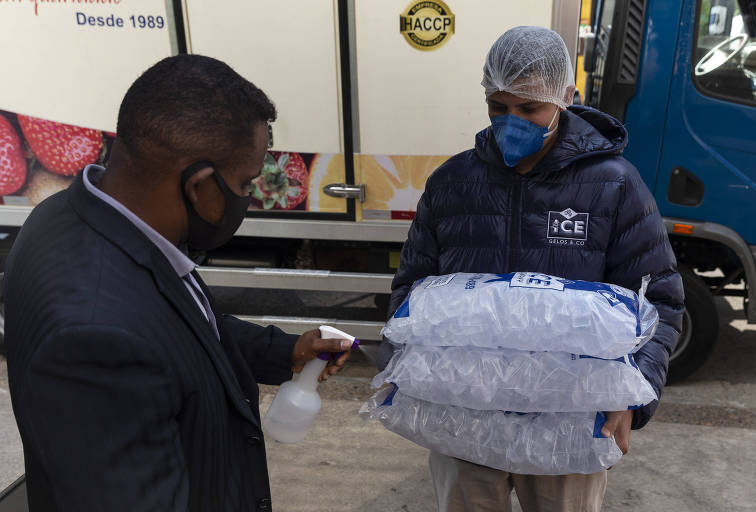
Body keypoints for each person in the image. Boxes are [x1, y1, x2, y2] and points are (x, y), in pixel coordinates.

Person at [3, 54, 353, 512]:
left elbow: (178, 325)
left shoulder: (70, 216)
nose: (248, 197)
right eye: (246, 184)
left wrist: (283, 352)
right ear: (200, 186)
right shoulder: (96, 341)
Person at [377, 26, 685, 512]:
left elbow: (659, 300)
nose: (511, 122)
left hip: (567, 420)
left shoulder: (613, 186)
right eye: (498, 108)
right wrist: (402, 368)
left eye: (529, 109)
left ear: (564, 97)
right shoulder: (454, 183)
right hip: (466, 418)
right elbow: (412, 290)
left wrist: (634, 396)